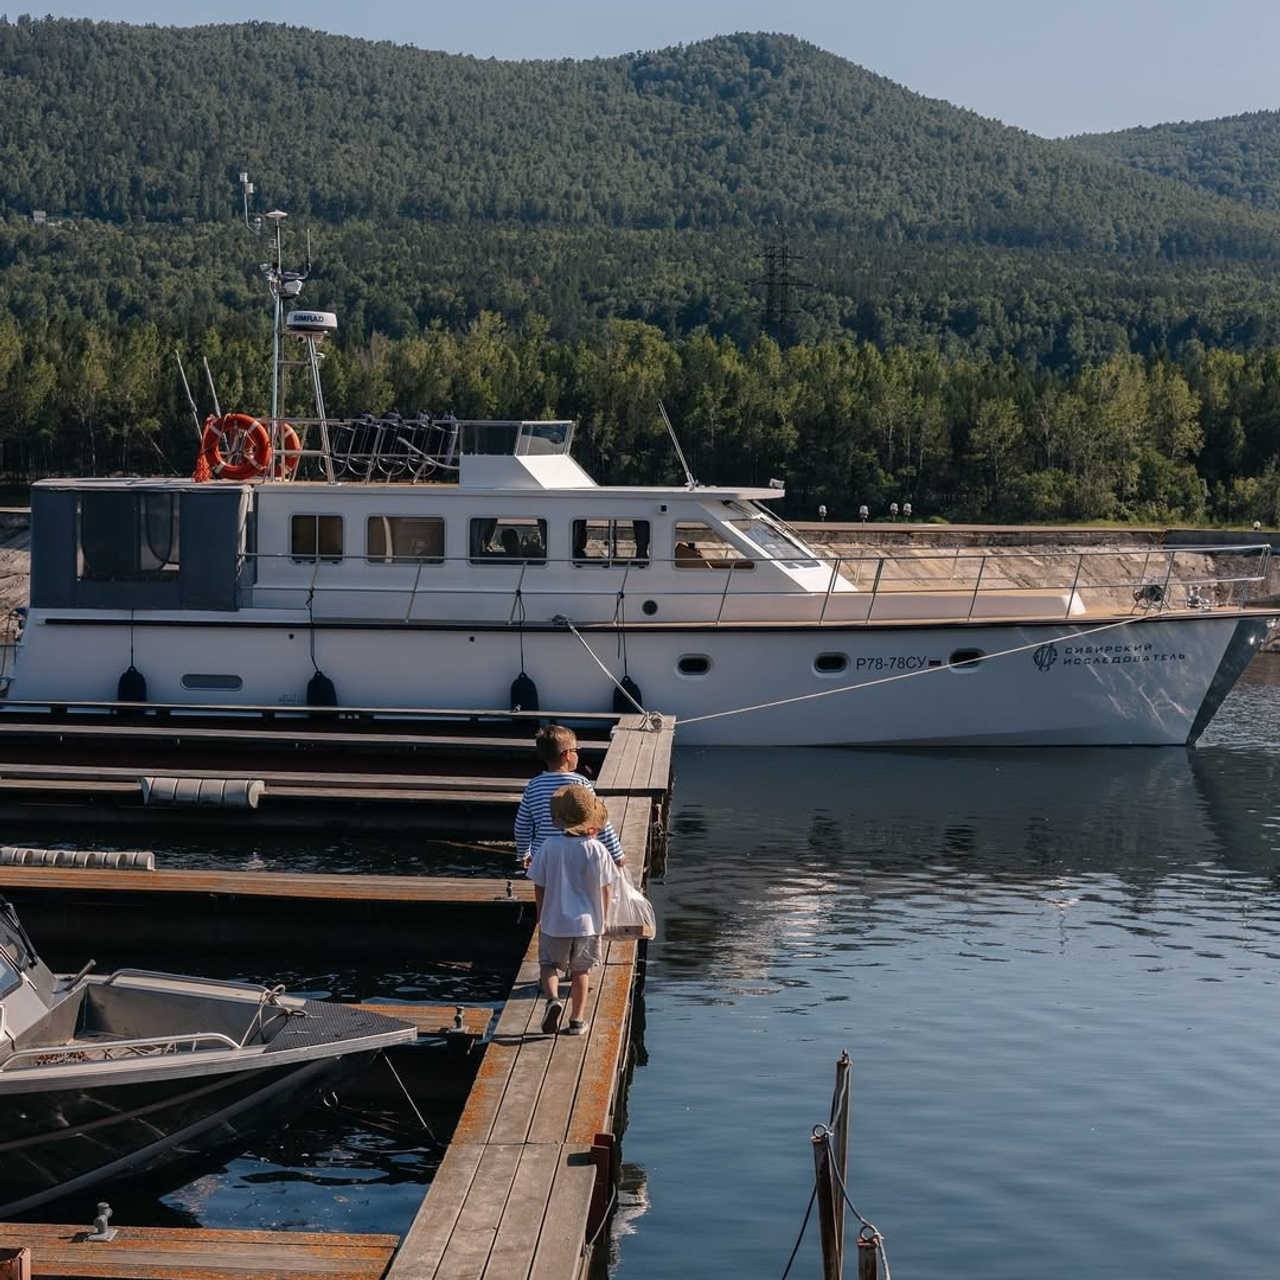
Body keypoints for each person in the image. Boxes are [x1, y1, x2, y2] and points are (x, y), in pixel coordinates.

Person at [528, 784, 620, 1035]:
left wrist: (540, 913)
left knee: (548, 964)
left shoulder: (548, 846)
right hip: (588, 923)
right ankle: (577, 1020)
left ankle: (553, 1000)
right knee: (581, 971)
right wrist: (604, 920)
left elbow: (539, 884)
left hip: (554, 920)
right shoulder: (597, 850)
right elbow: (607, 888)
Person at [515, 724, 625, 869]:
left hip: (544, 856)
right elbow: (599, 821)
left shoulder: (534, 785)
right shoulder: (579, 783)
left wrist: (524, 853)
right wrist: (616, 853)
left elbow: (522, 825)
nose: (577, 754)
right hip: (577, 854)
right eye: (575, 750)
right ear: (567, 754)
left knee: (548, 890)